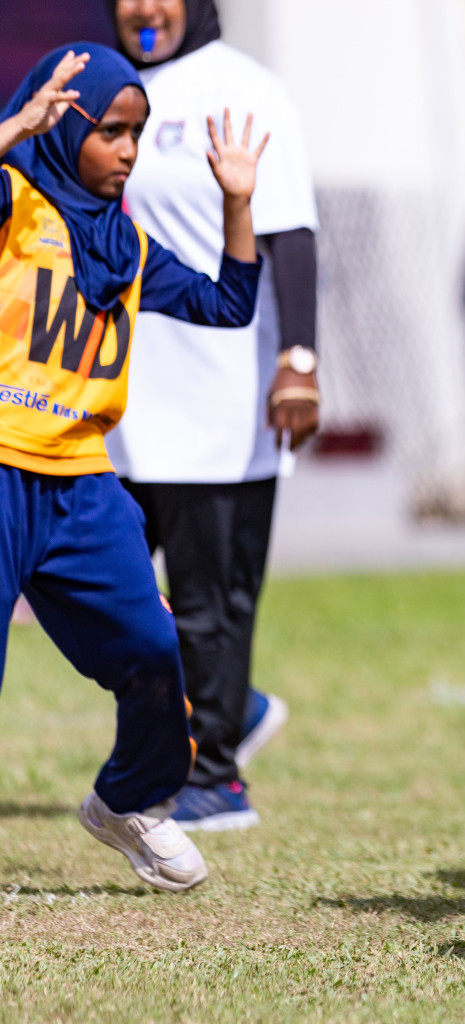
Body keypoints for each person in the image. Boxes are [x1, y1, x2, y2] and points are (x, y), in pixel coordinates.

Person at [0, 43, 265, 889]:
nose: (126, 151)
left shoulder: (129, 246)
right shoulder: (14, 199)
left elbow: (230, 303)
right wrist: (15, 129)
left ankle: (130, 803)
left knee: (154, 652)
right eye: (109, 132)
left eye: (136, 135)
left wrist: (238, 201)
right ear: (62, 127)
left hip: (82, 479)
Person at [101, 0, 314, 832]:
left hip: (222, 395)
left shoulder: (245, 89)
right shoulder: (111, 92)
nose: (140, 9)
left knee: (209, 598)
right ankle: (240, 702)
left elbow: (291, 230)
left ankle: (216, 774)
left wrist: (299, 357)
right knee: (86, 584)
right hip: (116, 396)